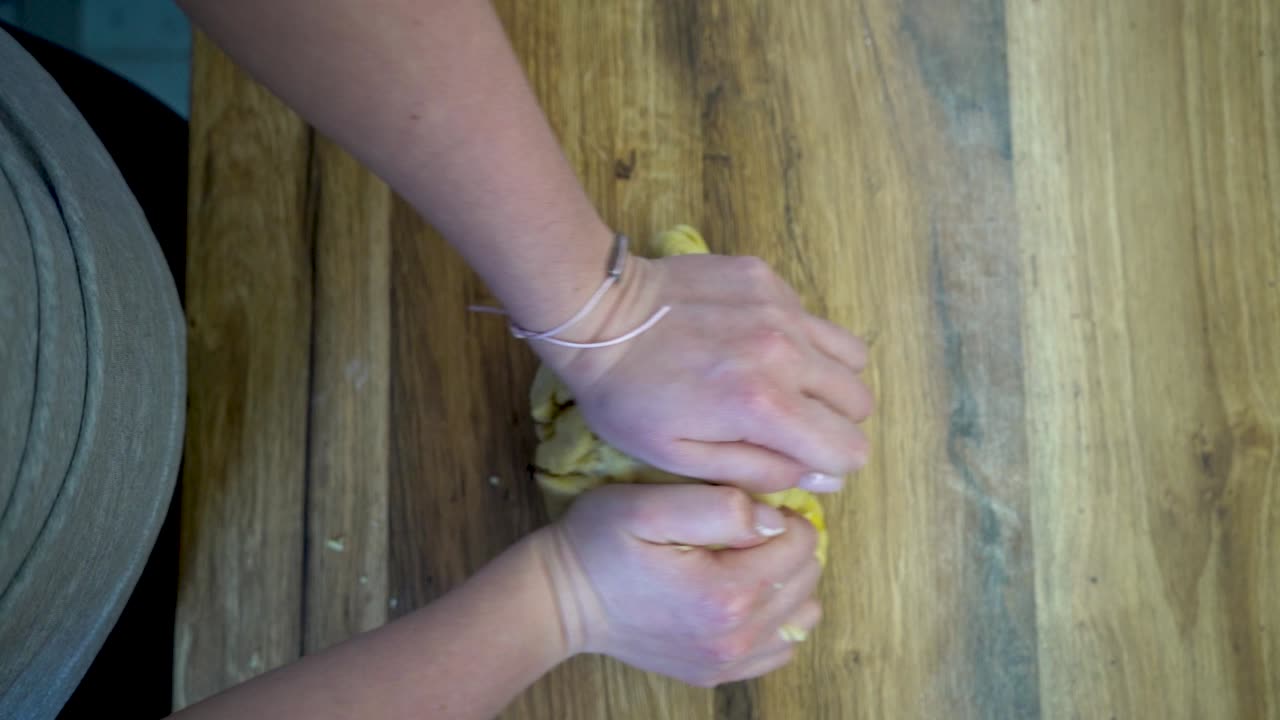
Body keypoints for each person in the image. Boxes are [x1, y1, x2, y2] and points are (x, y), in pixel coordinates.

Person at [1, 1, 873, 717]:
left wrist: (603, 305)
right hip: (103, 631)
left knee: (181, 180)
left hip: (67, 190)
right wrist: (567, 600)